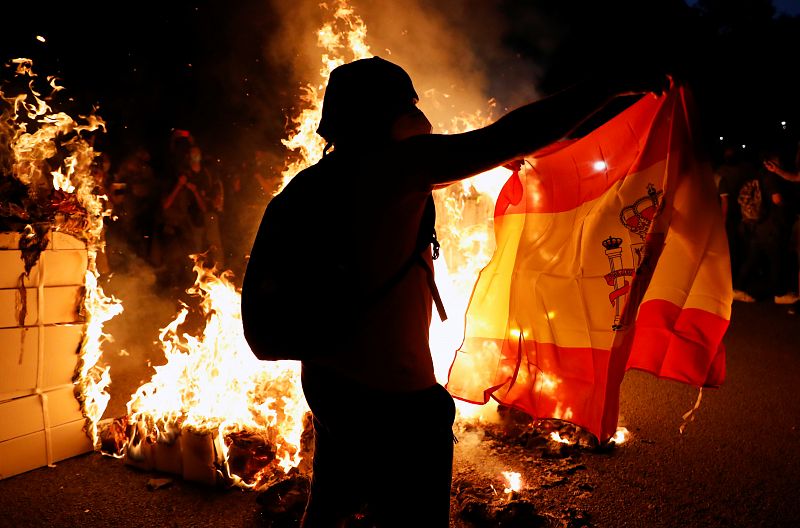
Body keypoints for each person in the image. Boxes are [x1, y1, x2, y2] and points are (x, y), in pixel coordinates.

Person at [241, 57, 666, 527]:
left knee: (330, 508)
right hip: (395, 400)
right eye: (409, 107)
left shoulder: (309, 185)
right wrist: (609, 82)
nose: (418, 118)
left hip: (329, 383)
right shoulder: (395, 167)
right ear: (390, 115)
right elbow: (510, 134)